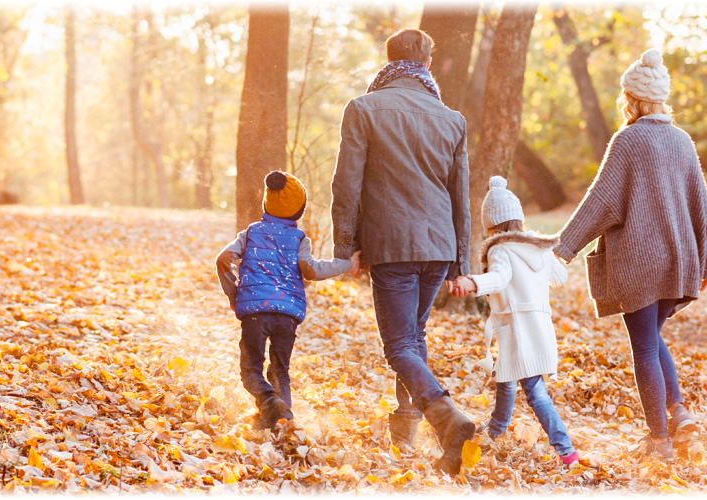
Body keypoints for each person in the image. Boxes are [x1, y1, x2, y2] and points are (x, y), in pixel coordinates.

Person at [553, 49, 707, 462]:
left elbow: (601, 203)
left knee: (644, 346)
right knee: (652, 337)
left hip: (641, 265)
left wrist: (563, 248)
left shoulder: (628, 141)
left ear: (631, 97)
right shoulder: (682, 141)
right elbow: (702, 206)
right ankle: (679, 417)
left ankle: (659, 440)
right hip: (679, 262)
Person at [331, 28, 476, 475]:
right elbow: (460, 196)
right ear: (428, 63)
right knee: (413, 338)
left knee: (398, 345)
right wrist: (461, 261)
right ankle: (408, 429)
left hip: (392, 244)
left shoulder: (363, 108)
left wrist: (345, 246)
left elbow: (346, 183)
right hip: (438, 246)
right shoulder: (452, 118)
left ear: (387, 59)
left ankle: (446, 417)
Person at [216, 170, 357, 430]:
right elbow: (311, 270)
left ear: (266, 203)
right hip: (287, 316)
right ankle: (284, 420)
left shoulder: (249, 233)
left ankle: (269, 403)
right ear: (299, 210)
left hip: (254, 314)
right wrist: (346, 264)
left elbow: (223, 259)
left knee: (251, 371)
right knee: (280, 369)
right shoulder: (299, 239)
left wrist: (233, 294)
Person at [454, 176, 579, 466]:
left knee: (535, 392)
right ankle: (495, 430)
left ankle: (566, 451)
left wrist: (472, 283)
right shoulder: (538, 248)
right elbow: (561, 278)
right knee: (506, 379)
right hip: (537, 328)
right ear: (519, 219)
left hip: (519, 331)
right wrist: (545, 252)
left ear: (491, 225)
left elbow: (499, 278)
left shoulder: (500, 249)